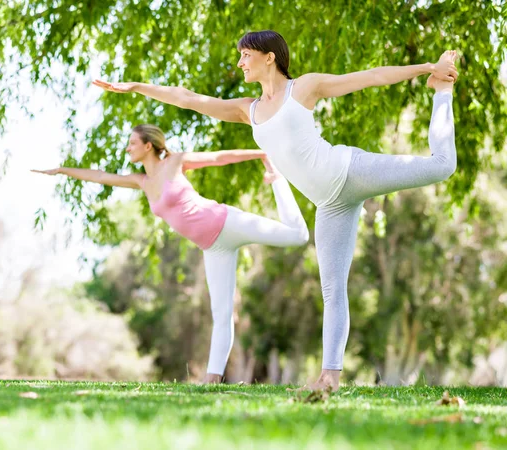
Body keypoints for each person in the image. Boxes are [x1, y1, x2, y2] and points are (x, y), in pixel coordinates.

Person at [91, 31, 458, 391]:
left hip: (349, 170)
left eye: (245, 55)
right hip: (329, 205)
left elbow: (370, 78)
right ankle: (330, 376)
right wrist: (138, 86)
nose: (239, 63)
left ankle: (442, 91)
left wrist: (428, 68)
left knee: (442, 165)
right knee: (332, 289)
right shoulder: (246, 110)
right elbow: (189, 99)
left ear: (269, 56)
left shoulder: (304, 88)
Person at [32, 123, 309, 383]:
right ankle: (211, 380)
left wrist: (262, 154)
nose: (127, 148)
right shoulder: (142, 181)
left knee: (298, 237)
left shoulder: (176, 162)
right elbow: (102, 177)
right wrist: (61, 170)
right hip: (213, 247)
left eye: (132, 143)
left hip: (225, 222)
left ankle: (278, 180)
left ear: (148, 146)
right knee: (221, 314)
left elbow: (219, 157)